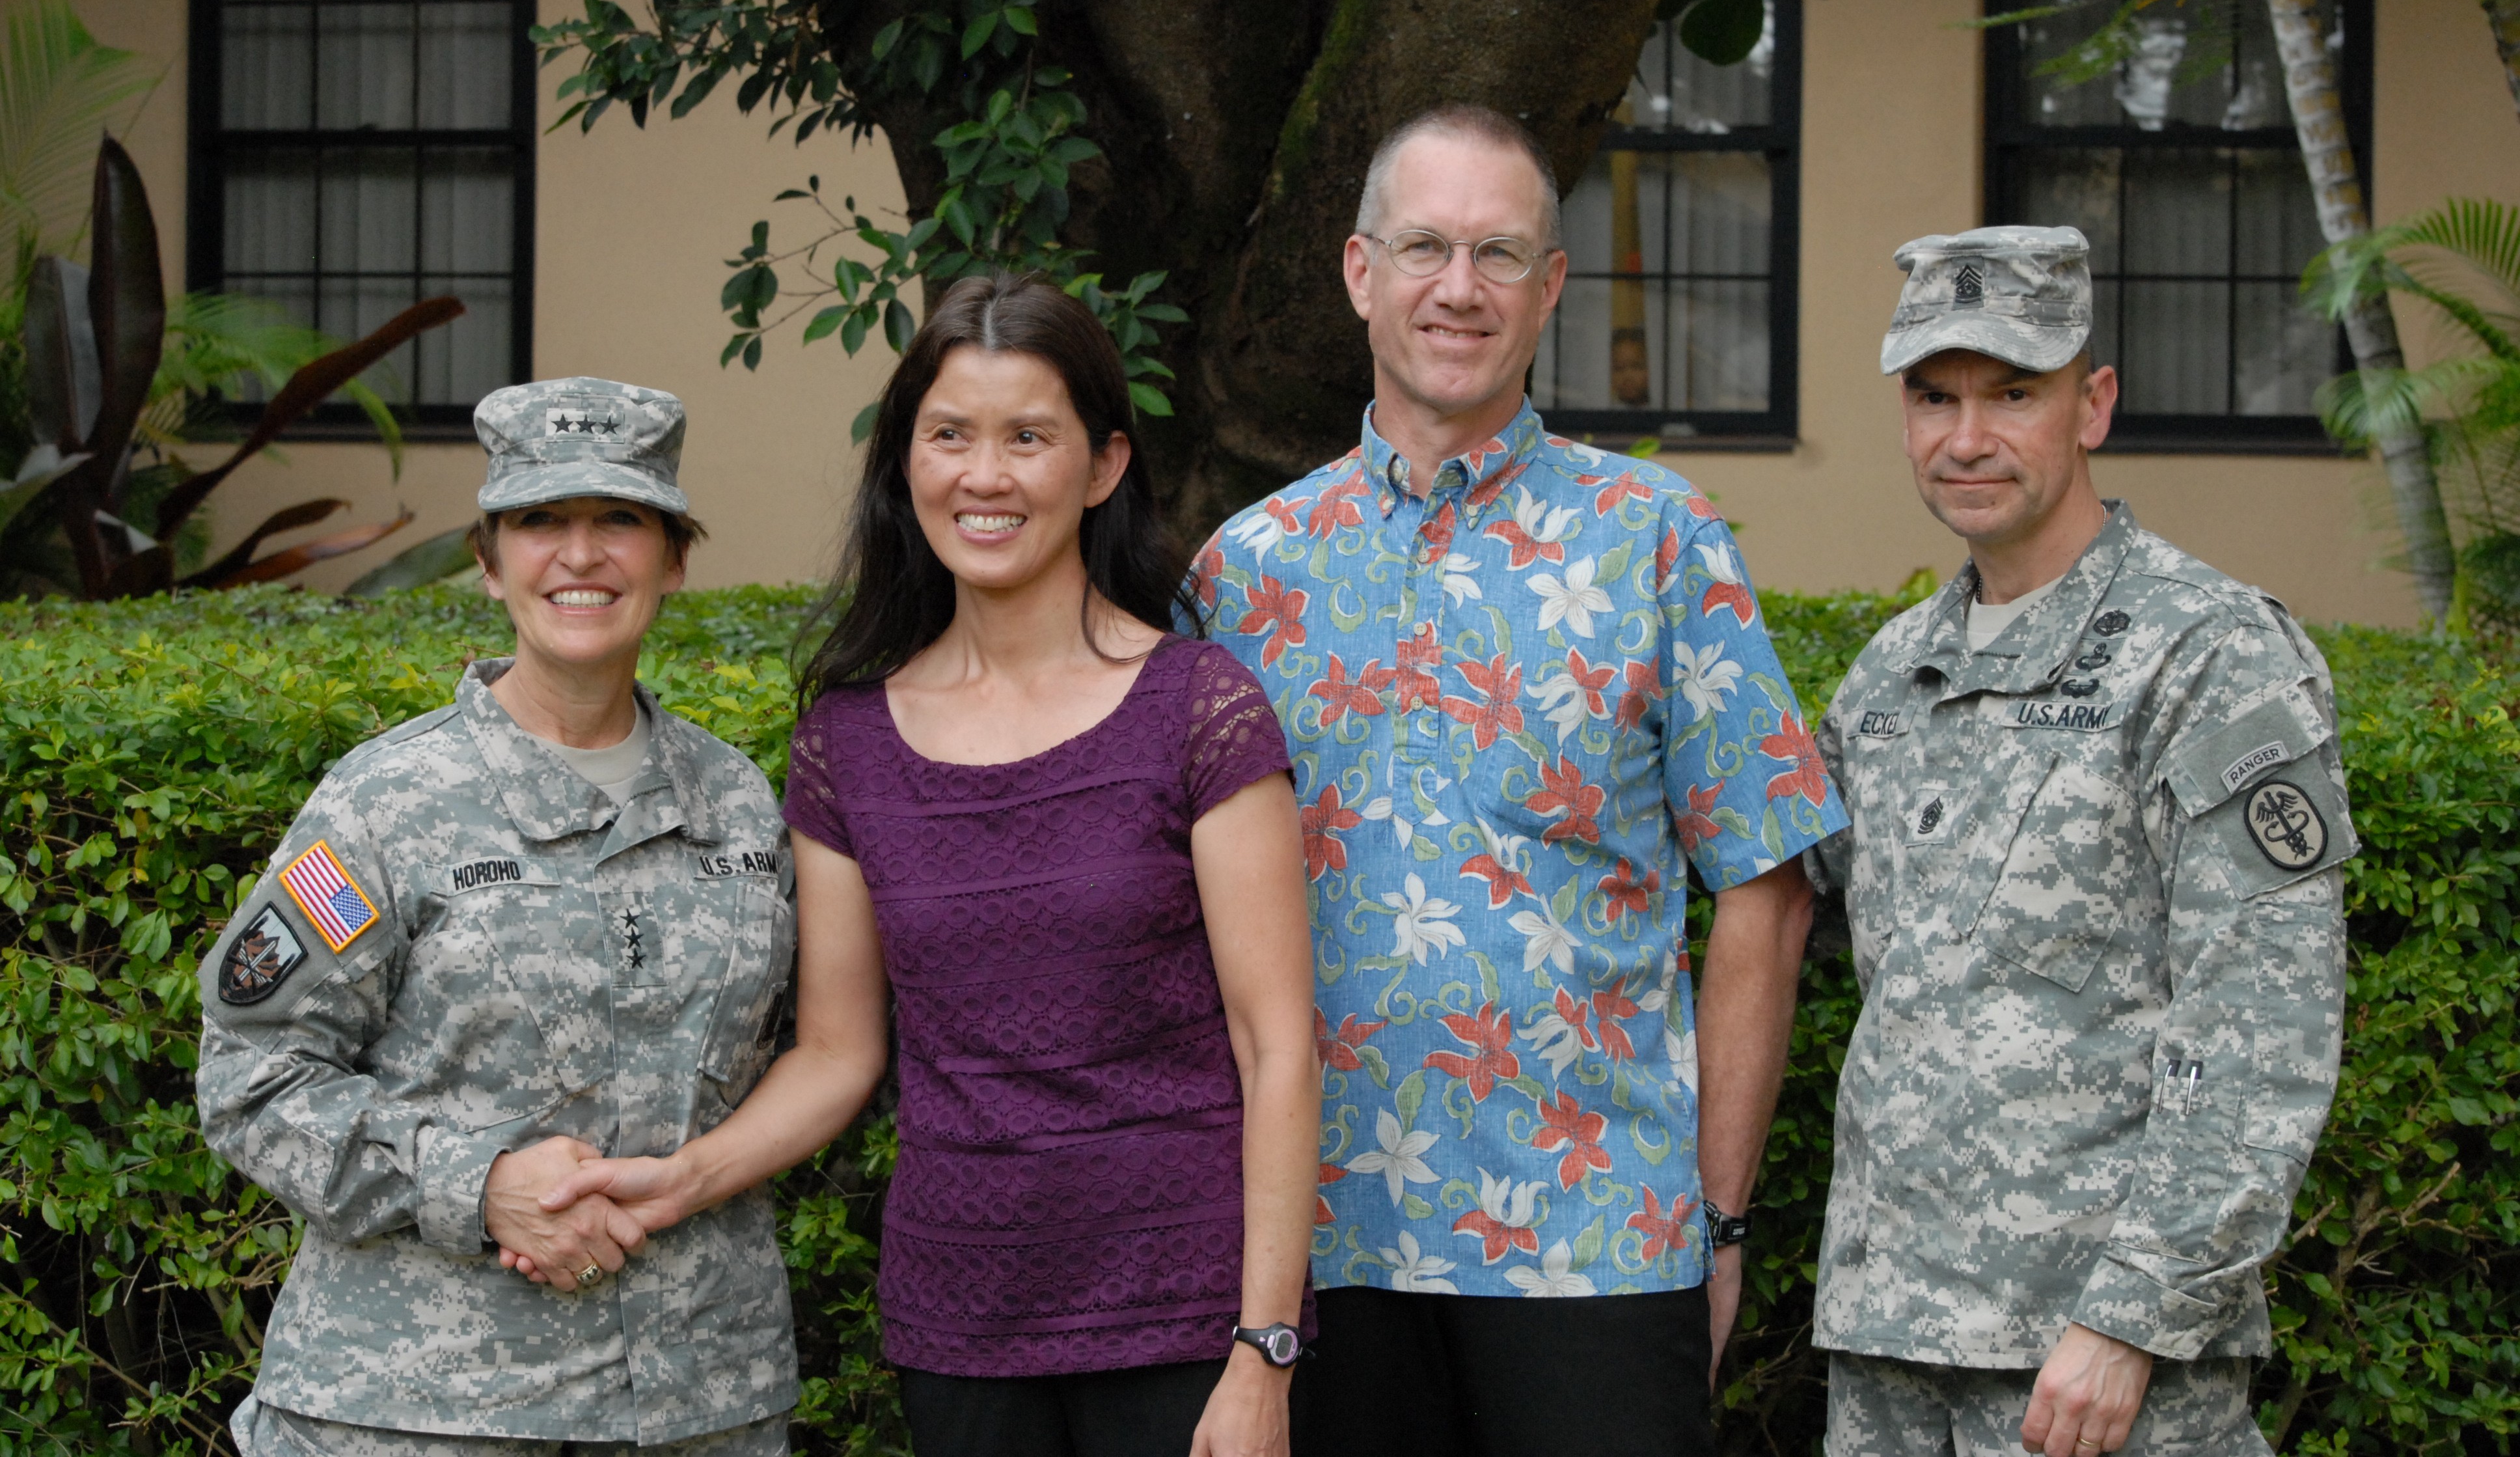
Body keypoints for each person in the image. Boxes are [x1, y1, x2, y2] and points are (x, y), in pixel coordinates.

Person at [532, 275, 1321, 1457]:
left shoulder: (1195, 707)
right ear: (907, 462)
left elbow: (1281, 1047)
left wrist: (1265, 1350)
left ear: (1102, 466)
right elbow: (842, 1050)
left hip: (1187, 1317)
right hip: (963, 1322)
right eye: (949, 435)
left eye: (1028, 438)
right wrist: (682, 1179)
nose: (984, 475)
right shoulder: (847, 744)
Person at [1192, 104, 1846, 1455]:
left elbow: (1766, 889)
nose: (1458, 287)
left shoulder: (1658, 540)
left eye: (1499, 254)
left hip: (1597, 1244)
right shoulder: (1244, 576)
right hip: (1322, 1254)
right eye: (1424, 246)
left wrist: (1717, 1224)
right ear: (1360, 272)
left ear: (1552, 286)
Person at [1808, 225, 2353, 1457]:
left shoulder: (2210, 657)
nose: (1967, 437)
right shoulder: (1891, 677)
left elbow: (2263, 1027)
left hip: (2097, 1373)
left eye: (2014, 393)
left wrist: (2134, 1316)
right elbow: (1798, 918)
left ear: (2092, 403)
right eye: (1934, 397)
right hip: (1891, 1344)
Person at [196, 378, 799, 1456]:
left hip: (697, 1401)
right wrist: (476, 1186)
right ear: (488, 562)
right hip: (413, 1411)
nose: (581, 554)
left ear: (674, 557)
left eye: (620, 519)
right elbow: (250, 1079)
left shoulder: (740, 800)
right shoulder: (384, 802)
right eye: (539, 522)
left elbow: (805, 1060)